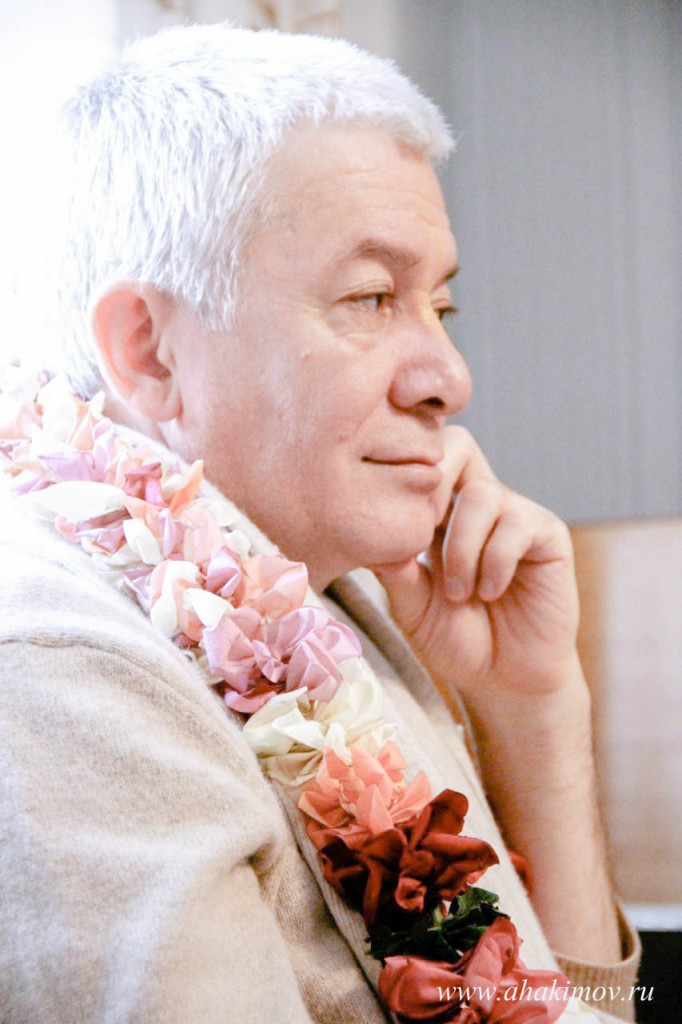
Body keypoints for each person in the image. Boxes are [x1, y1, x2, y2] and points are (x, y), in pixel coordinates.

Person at [0, 22, 639, 1024]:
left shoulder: (333, 597)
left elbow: (561, 1009)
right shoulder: (63, 668)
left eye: (440, 307)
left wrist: (535, 712)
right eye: (371, 297)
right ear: (149, 351)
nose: (450, 378)